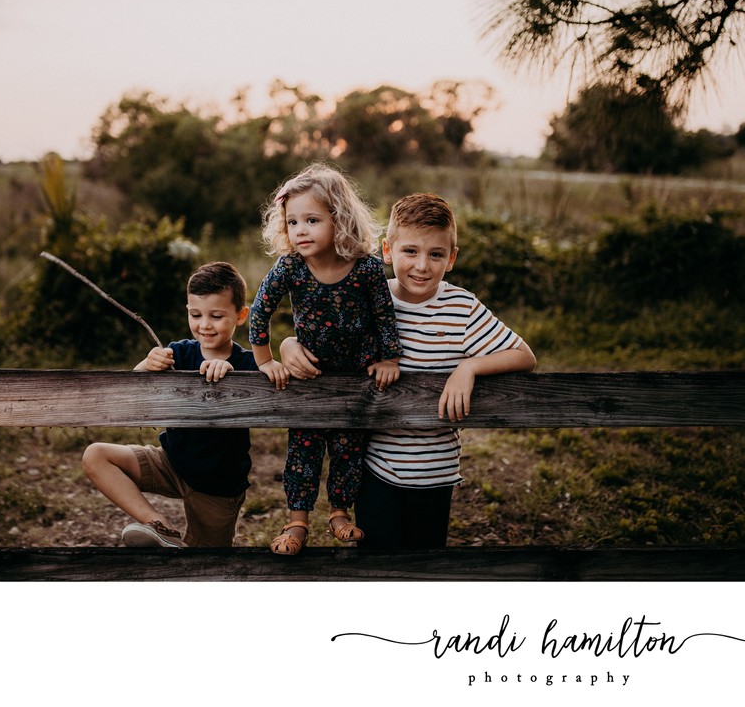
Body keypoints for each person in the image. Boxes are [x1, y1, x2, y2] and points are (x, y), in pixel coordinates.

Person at [279, 192, 536, 550]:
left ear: (451, 259)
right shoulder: (368, 296)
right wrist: (289, 344)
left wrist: (469, 367)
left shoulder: (461, 307)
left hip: (437, 471)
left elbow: (524, 355)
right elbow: (326, 340)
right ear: (388, 251)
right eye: (410, 251)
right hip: (375, 467)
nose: (422, 266)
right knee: (378, 563)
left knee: (424, 565)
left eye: (436, 254)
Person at [249, 163, 402, 555]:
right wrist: (266, 360)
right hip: (309, 379)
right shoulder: (290, 268)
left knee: (349, 448)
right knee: (303, 450)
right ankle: (297, 521)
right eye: (293, 221)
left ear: (340, 219)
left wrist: (388, 358)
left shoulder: (366, 268)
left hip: (355, 379)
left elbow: (385, 314)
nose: (300, 230)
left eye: (312, 219)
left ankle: (339, 512)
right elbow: (259, 312)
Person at [82, 261, 258, 548]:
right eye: (195, 314)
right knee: (96, 455)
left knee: (204, 568)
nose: (204, 325)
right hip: (172, 462)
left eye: (216, 316)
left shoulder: (249, 362)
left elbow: (273, 388)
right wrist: (147, 364)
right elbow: (131, 390)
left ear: (240, 315)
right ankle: (159, 525)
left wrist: (233, 376)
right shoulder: (177, 352)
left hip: (218, 486)